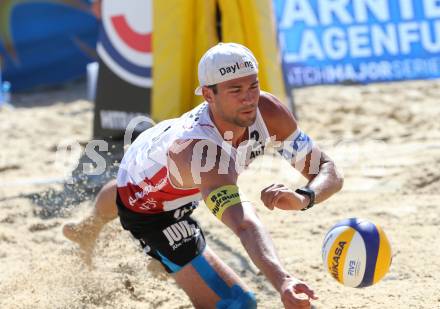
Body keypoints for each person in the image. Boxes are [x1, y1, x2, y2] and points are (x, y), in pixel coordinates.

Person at [63, 42, 343, 308]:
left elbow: (328, 170)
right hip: (151, 212)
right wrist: (283, 280)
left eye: (253, 85)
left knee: (141, 185)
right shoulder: (202, 153)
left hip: (155, 158)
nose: (249, 98)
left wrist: (305, 197)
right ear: (208, 95)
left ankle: (88, 228)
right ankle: (125, 239)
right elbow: (244, 224)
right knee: (237, 304)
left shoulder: (267, 111)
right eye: (235, 90)